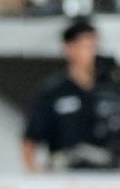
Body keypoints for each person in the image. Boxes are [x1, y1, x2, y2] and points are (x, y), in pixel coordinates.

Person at [22, 19, 110, 171]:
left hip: (107, 176)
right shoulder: (54, 92)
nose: (92, 53)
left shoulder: (109, 88)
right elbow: (29, 142)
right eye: (85, 47)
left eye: (94, 46)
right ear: (69, 49)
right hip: (65, 175)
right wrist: (37, 175)